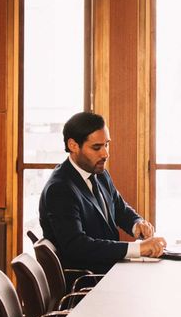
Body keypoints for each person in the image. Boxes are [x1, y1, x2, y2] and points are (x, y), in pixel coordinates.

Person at [40, 111, 166, 272]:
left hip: (110, 269)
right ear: (73, 146)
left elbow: (119, 208)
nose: (105, 153)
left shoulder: (99, 173)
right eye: (96, 147)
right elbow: (77, 246)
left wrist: (137, 224)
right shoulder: (59, 188)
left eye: (106, 144)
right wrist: (138, 249)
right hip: (88, 280)